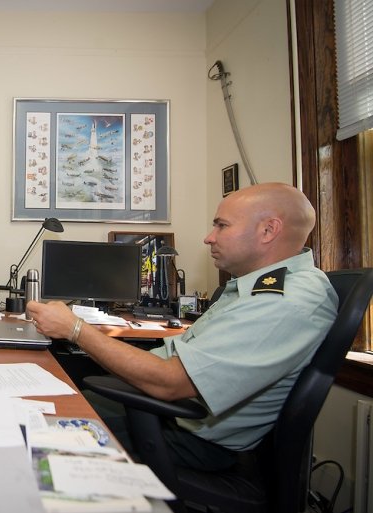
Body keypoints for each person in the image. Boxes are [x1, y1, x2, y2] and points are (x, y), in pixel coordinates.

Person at [26, 182, 338, 471]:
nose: (209, 237)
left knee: (33, 433)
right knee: (46, 403)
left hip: (189, 438)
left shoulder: (284, 301)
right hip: (169, 413)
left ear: (269, 230)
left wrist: (75, 329)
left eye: (221, 225)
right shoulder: (255, 289)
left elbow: (170, 382)